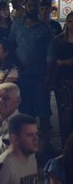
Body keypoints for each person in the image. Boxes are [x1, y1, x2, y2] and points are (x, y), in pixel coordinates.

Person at [9, 0, 54, 150]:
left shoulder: (45, 28)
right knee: (24, 112)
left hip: (39, 76)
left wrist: (48, 75)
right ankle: (25, 144)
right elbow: (11, 46)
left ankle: (46, 145)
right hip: (21, 76)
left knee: (44, 111)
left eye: (35, 6)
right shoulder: (16, 25)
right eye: (29, 6)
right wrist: (14, 68)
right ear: (25, 6)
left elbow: (50, 54)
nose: (32, 9)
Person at [0, 114, 39, 184]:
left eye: (36, 134)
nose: (36, 139)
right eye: (30, 135)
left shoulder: (32, 159)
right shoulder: (3, 167)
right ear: (15, 139)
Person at [52, 11, 73, 147]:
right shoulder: (59, 39)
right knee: (64, 116)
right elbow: (55, 61)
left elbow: (60, 61)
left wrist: (65, 62)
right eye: (70, 22)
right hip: (63, 83)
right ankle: (65, 148)